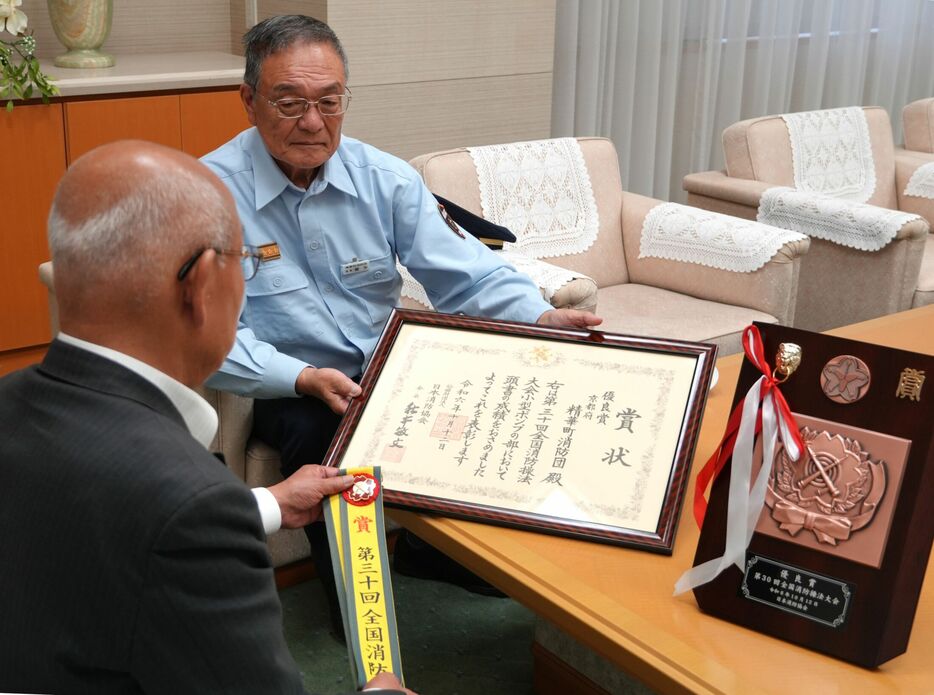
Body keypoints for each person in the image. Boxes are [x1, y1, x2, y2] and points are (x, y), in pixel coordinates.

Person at [201, 14, 603, 628]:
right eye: (290, 103)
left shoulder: (385, 179)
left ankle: (429, 549)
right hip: (291, 378)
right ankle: (356, 597)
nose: (313, 122)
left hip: (393, 360)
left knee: (498, 397)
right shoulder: (208, 194)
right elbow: (208, 336)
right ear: (249, 101)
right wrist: (304, 376)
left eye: (330, 102)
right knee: (317, 435)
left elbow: (467, 275)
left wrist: (540, 314)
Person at [0, 140, 411, 694]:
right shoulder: (191, 505)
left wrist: (266, 504)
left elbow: (97, 523)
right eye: (243, 262)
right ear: (199, 286)